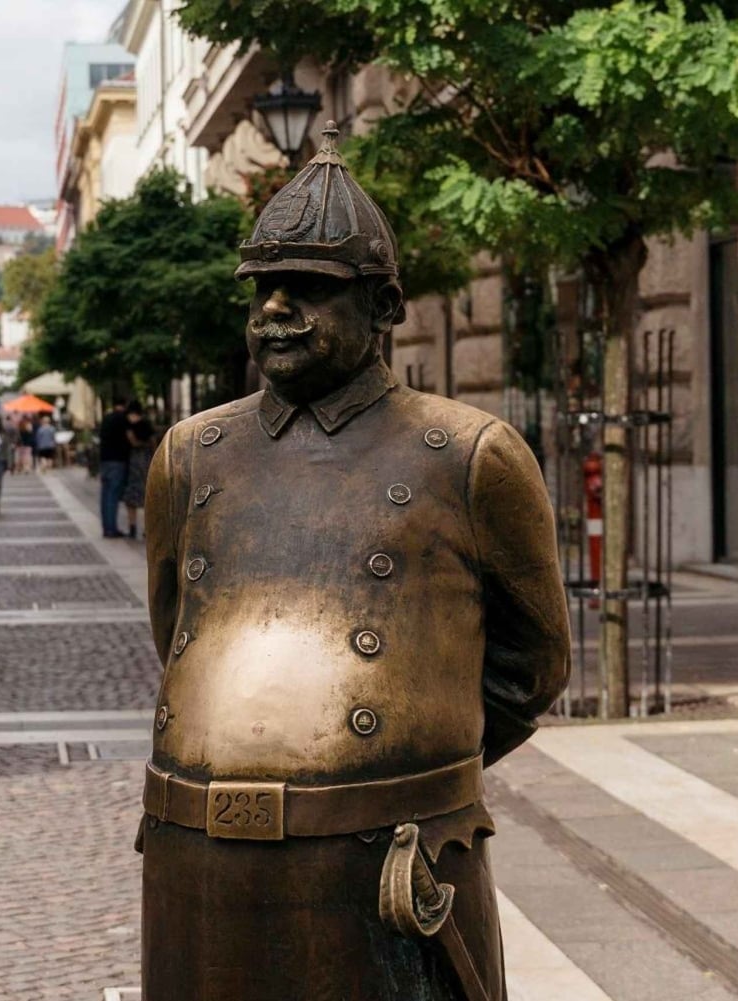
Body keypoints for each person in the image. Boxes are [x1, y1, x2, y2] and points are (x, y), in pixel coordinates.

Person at [138, 124, 570, 1001]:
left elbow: (532, 667)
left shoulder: (469, 453)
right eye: (261, 289)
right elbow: (175, 629)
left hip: (385, 867)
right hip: (198, 865)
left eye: (309, 289)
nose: (273, 310)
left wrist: (406, 755)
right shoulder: (191, 454)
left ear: (384, 305)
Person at [97, 399, 130, 537]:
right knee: (113, 495)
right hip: (117, 460)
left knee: (105, 495)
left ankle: (106, 527)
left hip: (104, 460)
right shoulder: (122, 419)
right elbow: (129, 438)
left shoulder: (106, 418)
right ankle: (111, 529)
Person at [122, 402, 154, 539]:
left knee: (132, 498)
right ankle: (147, 529)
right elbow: (153, 441)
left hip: (135, 462)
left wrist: (134, 441)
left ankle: (132, 527)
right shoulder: (147, 424)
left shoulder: (129, 426)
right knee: (147, 497)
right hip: (147, 461)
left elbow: (133, 442)